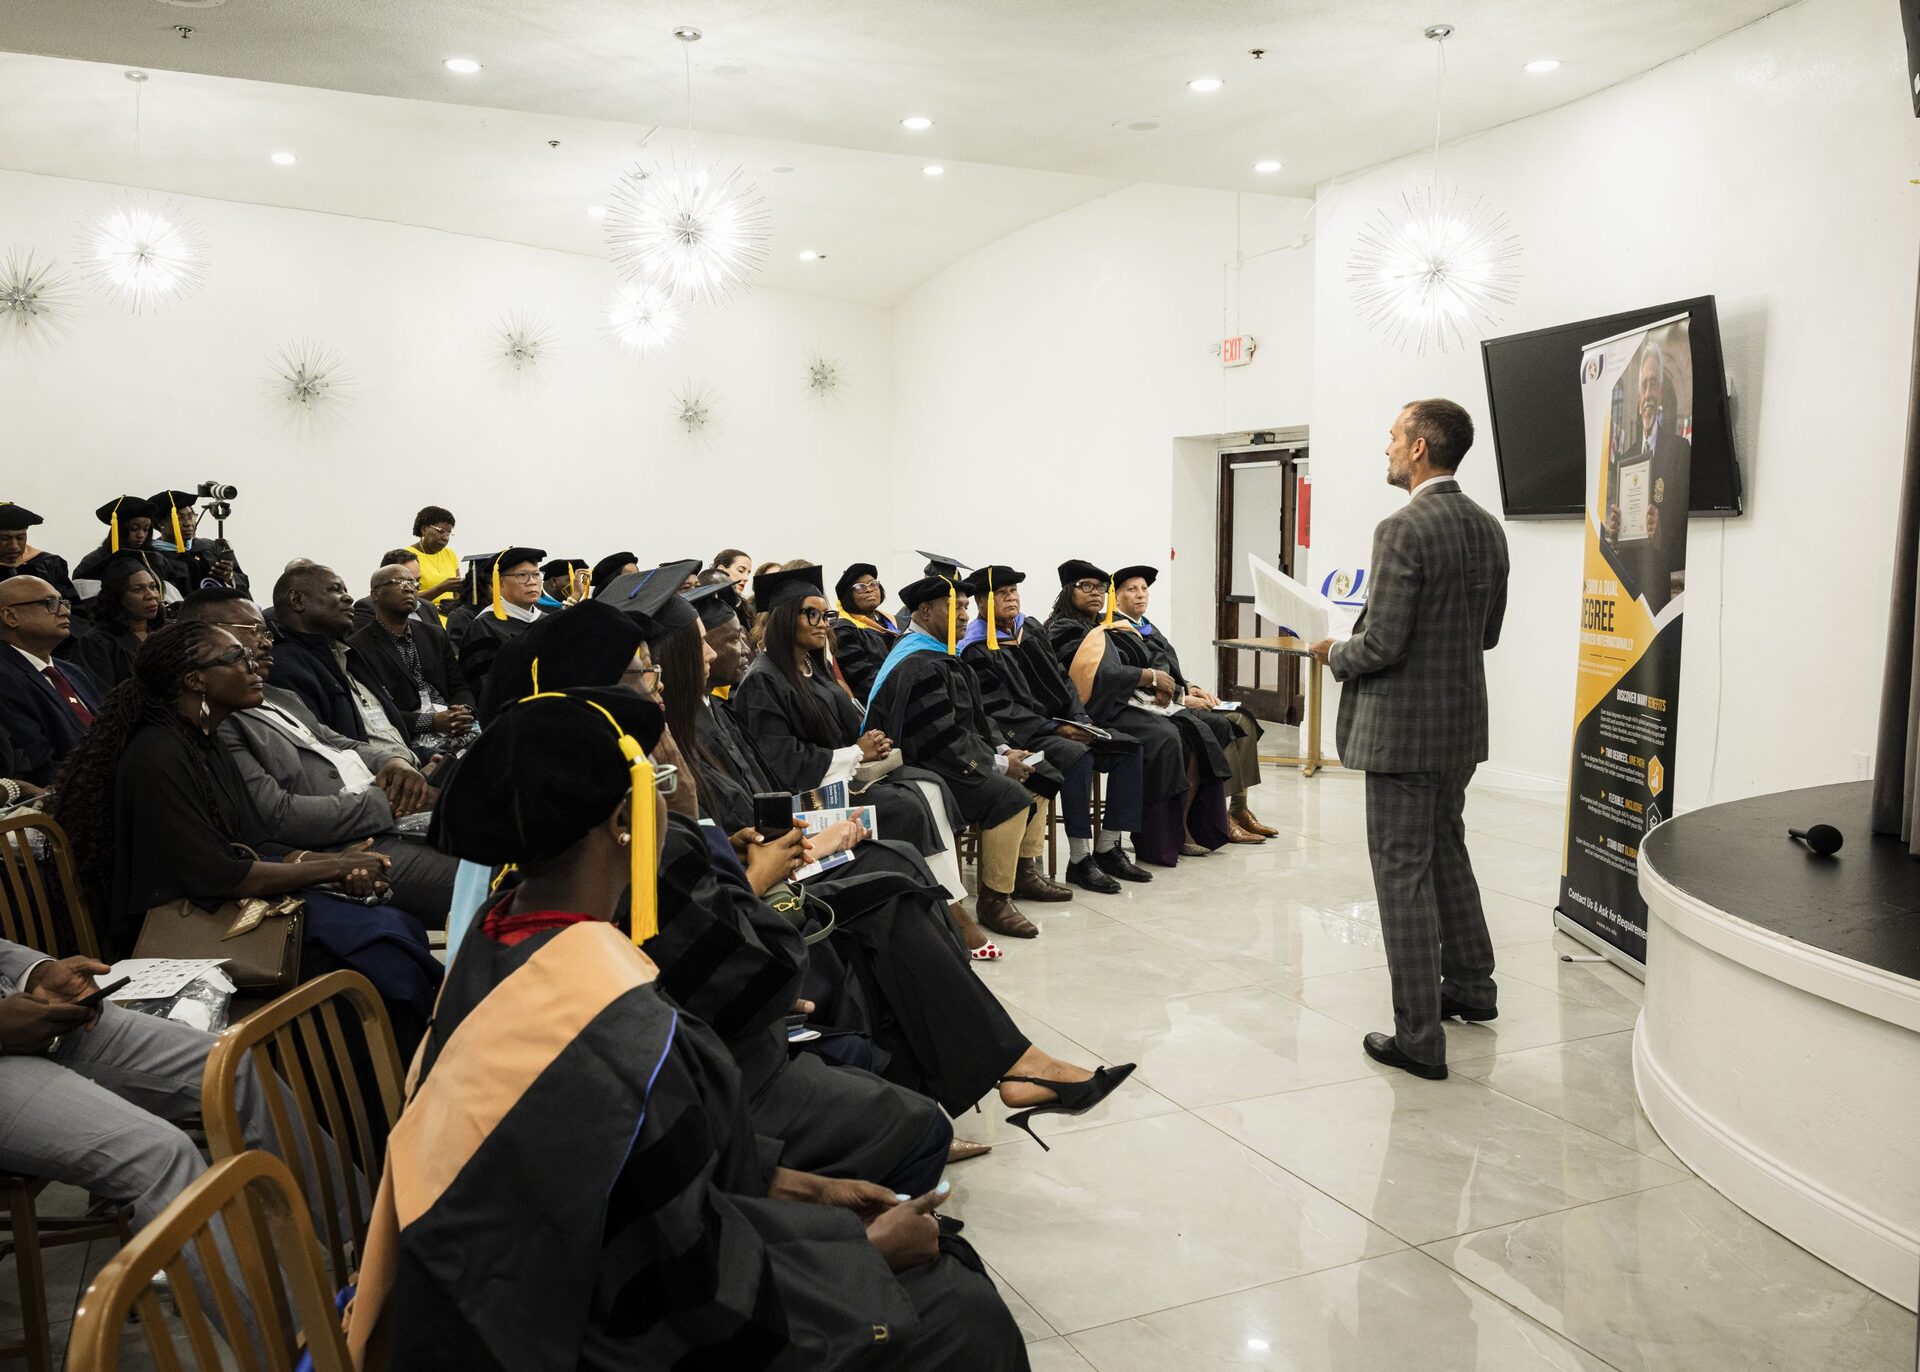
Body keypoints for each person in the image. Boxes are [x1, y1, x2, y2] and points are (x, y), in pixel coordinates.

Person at [349, 686, 1034, 1371]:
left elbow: (625, 1189)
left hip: (494, 1295)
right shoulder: (621, 1031)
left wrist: (804, 1187)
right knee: (962, 1312)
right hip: (567, 1337)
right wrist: (868, 1256)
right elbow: (687, 1303)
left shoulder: (496, 938)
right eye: (654, 780)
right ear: (625, 820)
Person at [47, 622, 443, 1048]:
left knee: (395, 926)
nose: (255, 668)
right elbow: (217, 874)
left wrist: (333, 865)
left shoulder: (201, 740)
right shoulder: (157, 755)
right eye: (238, 659)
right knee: (381, 953)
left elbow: (250, 842)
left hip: (223, 899)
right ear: (196, 680)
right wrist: (333, 867)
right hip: (182, 924)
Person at [1309, 397, 1510, 1081]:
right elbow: (1488, 634)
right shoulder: (1488, 527)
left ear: (1420, 447)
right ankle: (1472, 987)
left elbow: (1383, 644)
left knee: (1402, 876)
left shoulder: (1401, 528)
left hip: (1402, 735)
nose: (1388, 447)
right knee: (1446, 853)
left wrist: (1335, 652)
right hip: (1459, 729)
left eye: (1394, 436)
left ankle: (1419, 1038)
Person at [177, 591, 456, 924]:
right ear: (206, 635)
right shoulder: (221, 719)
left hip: (387, 810)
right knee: (487, 878)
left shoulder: (276, 694)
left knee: (497, 831)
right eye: (252, 631)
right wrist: (390, 803)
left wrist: (395, 762)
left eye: (266, 631)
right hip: (349, 840)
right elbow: (277, 815)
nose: (266, 643)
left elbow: (340, 743)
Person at [730, 566, 968, 911]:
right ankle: (935, 906)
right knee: (904, 808)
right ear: (784, 619)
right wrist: (855, 752)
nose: (822, 623)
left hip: (841, 775)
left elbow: (841, 729)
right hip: (806, 796)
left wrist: (868, 743)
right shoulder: (763, 680)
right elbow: (782, 760)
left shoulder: (812, 666)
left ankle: (947, 901)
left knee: (931, 786)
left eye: (825, 615)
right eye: (811, 614)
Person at [866, 572, 1072, 941]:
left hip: (953, 757)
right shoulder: (919, 663)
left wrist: (1005, 750)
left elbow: (977, 719)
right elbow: (940, 738)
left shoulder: (945, 655)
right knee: (1009, 794)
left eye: (964, 607)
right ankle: (995, 900)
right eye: (954, 607)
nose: (964, 615)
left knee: (1041, 773)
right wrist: (999, 765)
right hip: (926, 767)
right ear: (925, 611)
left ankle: (1023, 872)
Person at [959, 564, 1152, 893]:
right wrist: (1055, 728)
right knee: (1078, 756)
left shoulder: (1031, 629)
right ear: (981, 602)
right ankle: (1080, 859)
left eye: (1013, 591)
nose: (1011, 598)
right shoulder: (976, 647)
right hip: (1026, 735)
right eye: (1002, 593)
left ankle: (1108, 847)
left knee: (1129, 748)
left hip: (1065, 723)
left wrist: (1081, 719)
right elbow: (997, 709)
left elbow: (1063, 679)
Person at [1045, 561, 1229, 865]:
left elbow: (1142, 655)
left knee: (1190, 730)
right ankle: (1156, 839)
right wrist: (1147, 677)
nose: (1095, 593)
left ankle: (1179, 830)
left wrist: (1159, 679)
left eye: (1100, 587)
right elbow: (1094, 676)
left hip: (1119, 703)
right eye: (1086, 586)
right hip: (1091, 711)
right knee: (1165, 736)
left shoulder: (1101, 625)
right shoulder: (1064, 628)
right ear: (1068, 591)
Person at [1111, 564, 1276, 844]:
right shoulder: (1117, 631)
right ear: (1116, 596)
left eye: (1144, 589)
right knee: (1225, 726)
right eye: (1132, 589)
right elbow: (1143, 679)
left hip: (1179, 695)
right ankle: (1221, 816)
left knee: (1244, 718)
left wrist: (1191, 686)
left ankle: (1239, 808)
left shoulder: (1147, 626)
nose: (1140, 594)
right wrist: (1182, 697)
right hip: (1156, 705)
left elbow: (1169, 668)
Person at [267, 564, 410, 752]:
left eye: (346, 590)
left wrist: (424, 757)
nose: (349, 598)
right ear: (297, 600)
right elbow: (322, 750)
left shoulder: (347, 654)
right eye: (335, 590)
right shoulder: (282, 668)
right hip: (369, 769)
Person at [349, 561, 475, 760]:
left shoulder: (433, 634)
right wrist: (431, 721)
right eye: (398, 582)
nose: (409, 588)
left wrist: (463, 710)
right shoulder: (358, 647)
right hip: (406, 739)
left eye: (414, 583)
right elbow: (374, 711)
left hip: (455, 725)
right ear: (375, 594)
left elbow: (458, 684)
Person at [1603, 342, 1690, 614]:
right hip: (1626, 591)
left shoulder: (1679, 451)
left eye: (1653, 384)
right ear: (1638, 396)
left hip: (1657, 597)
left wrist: (1661, 537)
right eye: (1643, 385)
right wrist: (1616, 534)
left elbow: (1687, 533)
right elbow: (1619, 544)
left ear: (1660, 392)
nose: (1648, 393)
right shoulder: (1626, 458)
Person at [0, 575, 104, 785]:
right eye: (50, 603)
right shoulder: (5, 677)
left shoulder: (73, 672)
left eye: (63, 602)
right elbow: (40, 765)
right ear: (10, 617)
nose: (65, 611)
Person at [67, 551, 166, 690]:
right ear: (117, 597)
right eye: (138, 590)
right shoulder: (96, 644)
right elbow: (100, 696)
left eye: (153, 587)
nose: (151, 595)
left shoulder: (163, 634)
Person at [455, 546, 547, 689]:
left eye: (536, 574)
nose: (532, 582)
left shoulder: (549, 621)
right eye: (522, 575)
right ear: (499, 582)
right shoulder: (484, 626)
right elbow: (486, 685)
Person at [73, 496, 181, 599]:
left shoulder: (157, 560)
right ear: (119, 529)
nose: (141, 535)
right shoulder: (94, 562)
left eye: (146, 529)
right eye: (134, 528)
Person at [147, 489, 248, 596]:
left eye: (190, 516)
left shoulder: (210, 546)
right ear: (161, 523)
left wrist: (229, 578)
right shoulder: (153, 558)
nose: (188, 523)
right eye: (179, 518)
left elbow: (244, 585)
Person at [830, 562, 901, 701]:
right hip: (878, 704)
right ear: (849, 596)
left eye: (873, 584)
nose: (869, 590)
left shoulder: (892, 623)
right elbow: (865, 682)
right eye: (860, 587)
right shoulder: (844, 631)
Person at [0, 503, 78, 603]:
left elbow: (73, 606)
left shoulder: (49, 565)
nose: (14, 546)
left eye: (20, 538)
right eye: (5, 538)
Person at [403, 506, 462, 620]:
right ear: (424, 529)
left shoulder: (450, 554)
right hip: (422, 616)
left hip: (451, 616)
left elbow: (457, 592)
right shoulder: (408, 557)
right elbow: (405, 598)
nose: (445, 537)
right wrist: (440, 589)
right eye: (441, 531)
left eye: (449, 533)